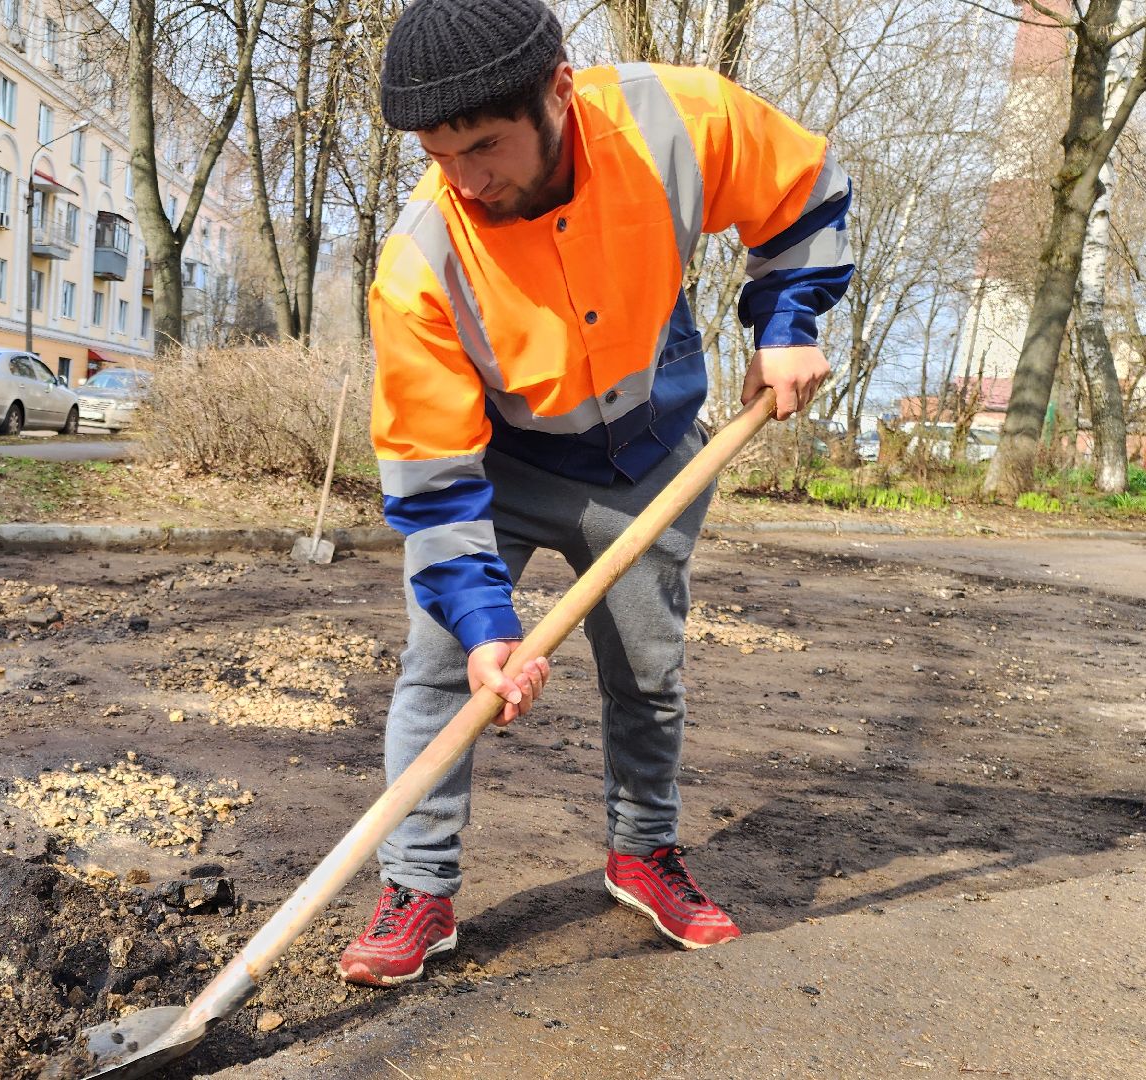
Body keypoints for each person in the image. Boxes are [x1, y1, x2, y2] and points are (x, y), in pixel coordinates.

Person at [339, 0, 854, 988]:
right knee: (441, 669)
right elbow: (431, 479)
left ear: (559, 92)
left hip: (649, 458)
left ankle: (642, 851)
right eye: (439, 156)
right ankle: (416, 886)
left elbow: (804, 187)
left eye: (484, 147)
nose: (465, 180)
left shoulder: (675, 122)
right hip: (497, 469)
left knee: (647, 671)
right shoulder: (418, 263)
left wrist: (789, 322)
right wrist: (486, 626)